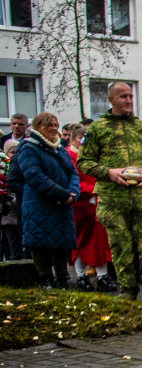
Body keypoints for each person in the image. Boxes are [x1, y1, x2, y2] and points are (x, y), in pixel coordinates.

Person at [77, 82, 142, 302]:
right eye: (123, 96)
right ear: (111, 100)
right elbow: (83, 161)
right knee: (120, 246)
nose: (128, 100)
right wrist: (109, 172)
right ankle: (127, 290)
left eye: (130, 96)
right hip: (112, 198)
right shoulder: (97, 129)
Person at [16, 112, 79, 289]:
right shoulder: (28, 148)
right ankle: (46, 278)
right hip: (39, 203)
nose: (53, 128)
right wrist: (62, 194)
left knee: (61, 242)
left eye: (55, 125)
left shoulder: (59, 148)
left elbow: (72, 172)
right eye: (49, 125)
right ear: (37, 127)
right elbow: (34, 176)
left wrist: (73, 193)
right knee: (38, 242)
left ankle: (62, 279)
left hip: (62, 203)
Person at [65, 124, 115, 292]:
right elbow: (72, 183)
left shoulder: (94, 157)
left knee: (100, 243)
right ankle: (81, 276)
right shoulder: (68, 157)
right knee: (79, 242)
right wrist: (93, 190)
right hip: (79, 207)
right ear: (73, 139)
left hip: (96, 205)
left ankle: (102, 276)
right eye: (82, 138)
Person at [1, 139, 23, 260]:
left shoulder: (20, 167)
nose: (15, 155)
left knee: (17, 247)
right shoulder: (3, 168)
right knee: (9, 247)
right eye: (12, 152)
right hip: (8, 216)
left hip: (17, 214)